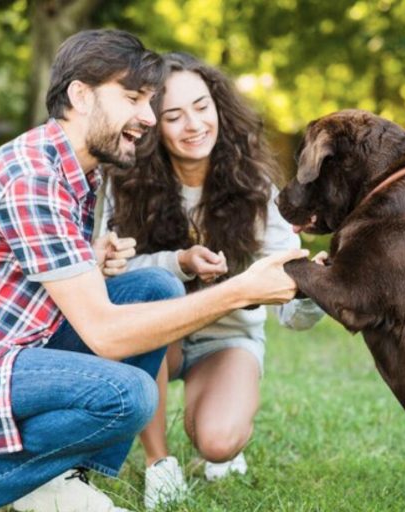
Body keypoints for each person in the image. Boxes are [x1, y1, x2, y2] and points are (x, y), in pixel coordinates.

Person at [0, 30, 307, 512]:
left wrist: (87, 257)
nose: (147, 118)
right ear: (81, 95)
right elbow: (106, 335)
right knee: (128, 395)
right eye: (133, 99)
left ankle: (56, 475)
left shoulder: (75, 170)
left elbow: (31, 272)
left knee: (155, 286)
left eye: (149, 102)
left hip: (5, 352)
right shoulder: (33, 179)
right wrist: (238, 291)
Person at [102, 52, 324, 509]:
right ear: (150, 125)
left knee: (219, 441)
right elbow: (109, 280)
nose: (194, 125)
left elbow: (291, 313)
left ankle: (213, 437)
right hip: (158, 336)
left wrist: (315, 290)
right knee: (151, 298)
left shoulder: (256, 188)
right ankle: (159, 465)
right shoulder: (122, 182)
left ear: (218, 106)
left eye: (202, 107)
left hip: (227, 340)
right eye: (173, 115)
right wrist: (179, 262)